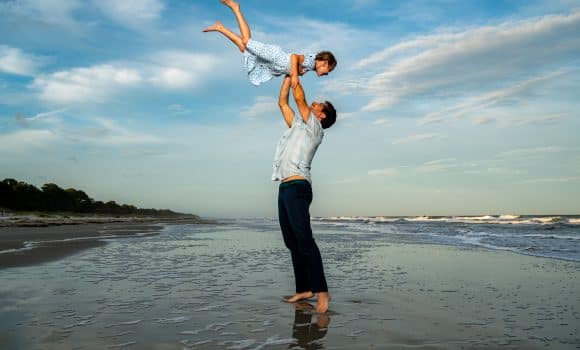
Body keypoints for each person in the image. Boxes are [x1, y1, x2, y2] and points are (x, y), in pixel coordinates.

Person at [274, 75, 336, 314]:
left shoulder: (315, 128)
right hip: (284, 186)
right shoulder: (299, 125)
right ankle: (304, 289)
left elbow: (299, 97)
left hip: (299, 187)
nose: (315, 103)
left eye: (319, 104)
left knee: (305, 240)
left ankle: (322, 293)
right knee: (292, 241)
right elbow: (283, 102)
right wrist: (288, 77)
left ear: (321, 116)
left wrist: (294, 68)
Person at [202, 0, 337, 87]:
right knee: (247, 42)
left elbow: (294, 66)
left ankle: (220, 28)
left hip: (273, 65)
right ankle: (235, 8)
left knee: (245, 48)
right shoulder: (311, 61)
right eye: (328, 70)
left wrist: (297, 73)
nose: (327, 74)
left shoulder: (311, 66)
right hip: (275, 57)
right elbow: (294, 57)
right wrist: (295, 75)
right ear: (324, 63)